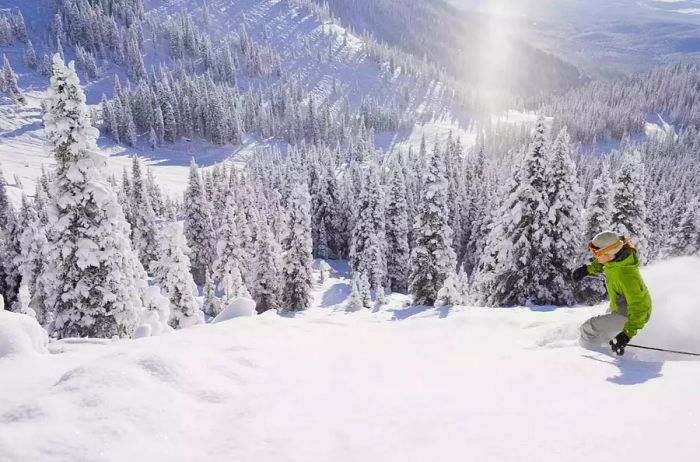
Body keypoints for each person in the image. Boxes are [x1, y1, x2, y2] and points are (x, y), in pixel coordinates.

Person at [571, 231, 652, 355]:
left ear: (609, 253)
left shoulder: (627, 276)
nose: (595, 256)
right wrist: (587, 269)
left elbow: (640, 309)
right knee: (602, 329)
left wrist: (626, 335)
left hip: (632, 315)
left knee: (588, 328)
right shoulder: (616, 260)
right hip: (620, 306)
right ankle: (604, 346)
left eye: (596, 253)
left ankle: (584, 355)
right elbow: (603, 262)